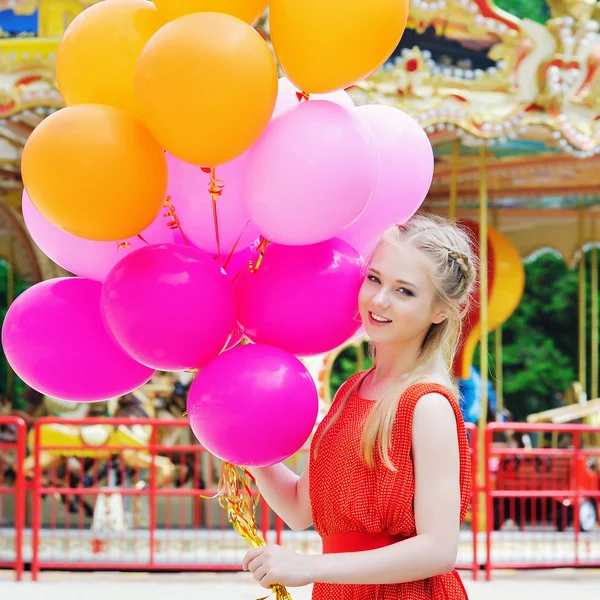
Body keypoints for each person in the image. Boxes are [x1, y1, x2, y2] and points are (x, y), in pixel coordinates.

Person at [242, 214, 477, 599]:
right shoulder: (351, 390)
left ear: (441, 310)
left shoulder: (427, 403)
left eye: (405, 291)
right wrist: (246, 446)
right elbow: (302, 510)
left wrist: (310, 565)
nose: (379, 299)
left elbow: (438, 549)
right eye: (374, 278)